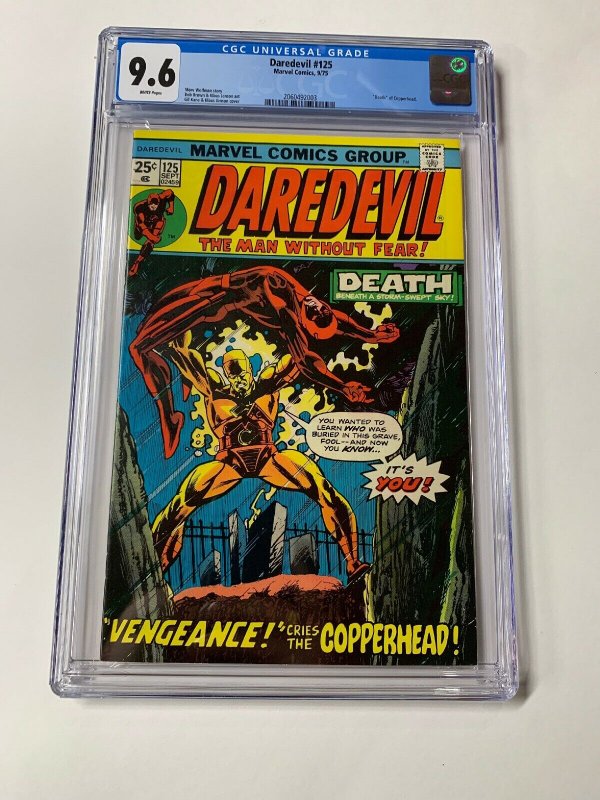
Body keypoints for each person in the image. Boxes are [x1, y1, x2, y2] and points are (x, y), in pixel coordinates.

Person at [152, 332, 369, 582]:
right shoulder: (214, 389)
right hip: (229, 462)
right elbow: (183, 355)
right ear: (225, 373)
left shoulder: (268, 384)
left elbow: (300, 357)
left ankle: (352, 561)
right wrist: (172, 342)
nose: (238, 379)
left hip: (268, 458)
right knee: (178, 508)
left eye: (242, 372)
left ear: (250, 370)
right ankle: (156, 570)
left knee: (325, 492)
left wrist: (321, 339)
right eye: (232, 373)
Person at [129, 265, 400, 457]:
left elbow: (309, 358)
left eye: (317, 316)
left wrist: (345, 380)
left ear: (306, 327)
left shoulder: (289, 312)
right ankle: (177, 387)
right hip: (202, 292)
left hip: (203, 305)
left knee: (139, 347)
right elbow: (332, 326)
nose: (318, 308)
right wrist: (370, 335)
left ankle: (170, 416)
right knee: (144, 337)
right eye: (322, 309)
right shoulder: (295, 297)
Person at [129, 189, 175, 276]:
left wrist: (171, 207)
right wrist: (152, 237)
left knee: (151, 241)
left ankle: (137, 262)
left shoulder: (162, 199)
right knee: (138, 236)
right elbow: (141, 225)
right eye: (151, 204)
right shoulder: (140, 207)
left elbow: (170, 192)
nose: (153, 206)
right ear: (148, 203)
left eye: (155, 204)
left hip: (157, 222)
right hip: (143, 226)